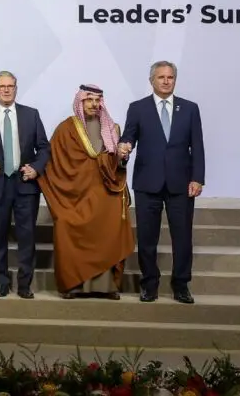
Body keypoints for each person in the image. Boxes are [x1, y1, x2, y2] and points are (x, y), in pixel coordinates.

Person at [118, 61, 205, 305]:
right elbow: (129, 137)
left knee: (183, 237)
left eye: (170, 77)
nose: (166, 81)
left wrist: (198, 178)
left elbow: (197, 145)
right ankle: (149, 285)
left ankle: (181, 285)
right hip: (148, 184)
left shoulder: (189, 108)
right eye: (161, 77)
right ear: (151, 80)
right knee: (147, 238)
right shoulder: (137, 108)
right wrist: (124, 148)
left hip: (181, 184)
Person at [40, 85, 134, 300]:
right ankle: (74, 285)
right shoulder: (66, 129)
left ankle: (107, 286)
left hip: (106, 194)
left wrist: (122, 157)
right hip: (76, 194)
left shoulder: (112, 129)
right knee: (68, 228)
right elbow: (54, 162)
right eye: (88, 99)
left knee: (108, 235)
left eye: (97, 100)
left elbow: (117, 164)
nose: (93, 104)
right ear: (80, 102)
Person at [0, 71, 51, 299]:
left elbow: (44, 148)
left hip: (25, 185)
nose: (6, 90)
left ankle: (25, 284)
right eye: (1, 86)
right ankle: (2, 283)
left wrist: (36, 167)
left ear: (16, 88)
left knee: (27, 238)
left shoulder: (31, 115)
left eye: (10, 86)